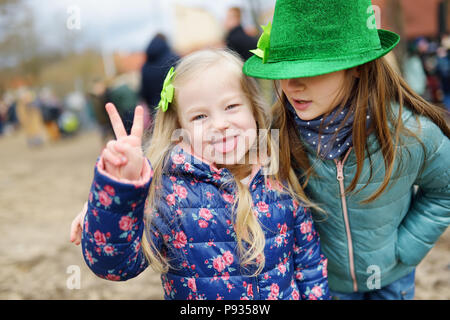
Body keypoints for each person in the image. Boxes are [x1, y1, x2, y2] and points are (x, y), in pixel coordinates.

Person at [71, 49, 329, 300]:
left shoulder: (277, 171)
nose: (219, 124)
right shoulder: (169, 191)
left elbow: (309, 264)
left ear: (253, 108)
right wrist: (118, 196)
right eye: (200, 116)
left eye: (231, 106)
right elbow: (114, 266)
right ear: (180, 125)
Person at [243, 0, 450, 300]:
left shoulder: (410, 133)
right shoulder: (275, 134)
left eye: (310, 68)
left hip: (394, 280)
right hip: (324, 284)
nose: (291, 83)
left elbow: (445, 187)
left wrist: (407, 248)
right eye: (283, 68)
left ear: (356, 68)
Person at [140, 33, 179, 121]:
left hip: (155, 112)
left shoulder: (145, 67)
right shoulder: (174, 59)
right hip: (174, 108)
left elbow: (143, 93)